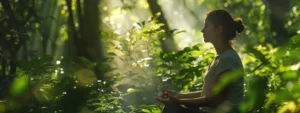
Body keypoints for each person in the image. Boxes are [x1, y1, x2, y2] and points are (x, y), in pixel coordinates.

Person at [156, 9, 245, 113]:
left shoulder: (228, 59)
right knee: (170, 108)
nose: (203, 30)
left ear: (219, 29)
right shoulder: (221, 57)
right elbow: (207, 94)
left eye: (207, 26)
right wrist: (177, 95)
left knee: (170, 110)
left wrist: (178, 101)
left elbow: (216, 100)